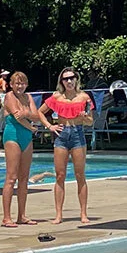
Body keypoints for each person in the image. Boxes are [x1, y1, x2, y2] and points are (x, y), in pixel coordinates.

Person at [42, 68, 94, 227]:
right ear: (61, 82)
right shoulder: (57, 97)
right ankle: (58, 214)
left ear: (76, 79)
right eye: (66, 79)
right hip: (62, 134)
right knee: (60, 175)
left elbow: (91, 121)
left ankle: (83, 213)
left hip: (78, 134)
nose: (69, 81)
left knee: (80, 175)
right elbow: (40, 112)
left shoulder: (84, 97)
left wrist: (84, 118)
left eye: (72, 78)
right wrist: (49, 126)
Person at [0, 71, 50, 229]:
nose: (19, 86)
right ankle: (6, 217)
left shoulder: (28, 98)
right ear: (11, 85)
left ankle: (21, 215)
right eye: (16, 83)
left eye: (22, 83)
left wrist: (28, 116)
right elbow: (17, 117)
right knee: (11, 177)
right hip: (13, 136)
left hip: (26, 138)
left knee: (24, 178)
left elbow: (36, 115)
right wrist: (31, 126)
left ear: (26, 85)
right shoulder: (9, 96)